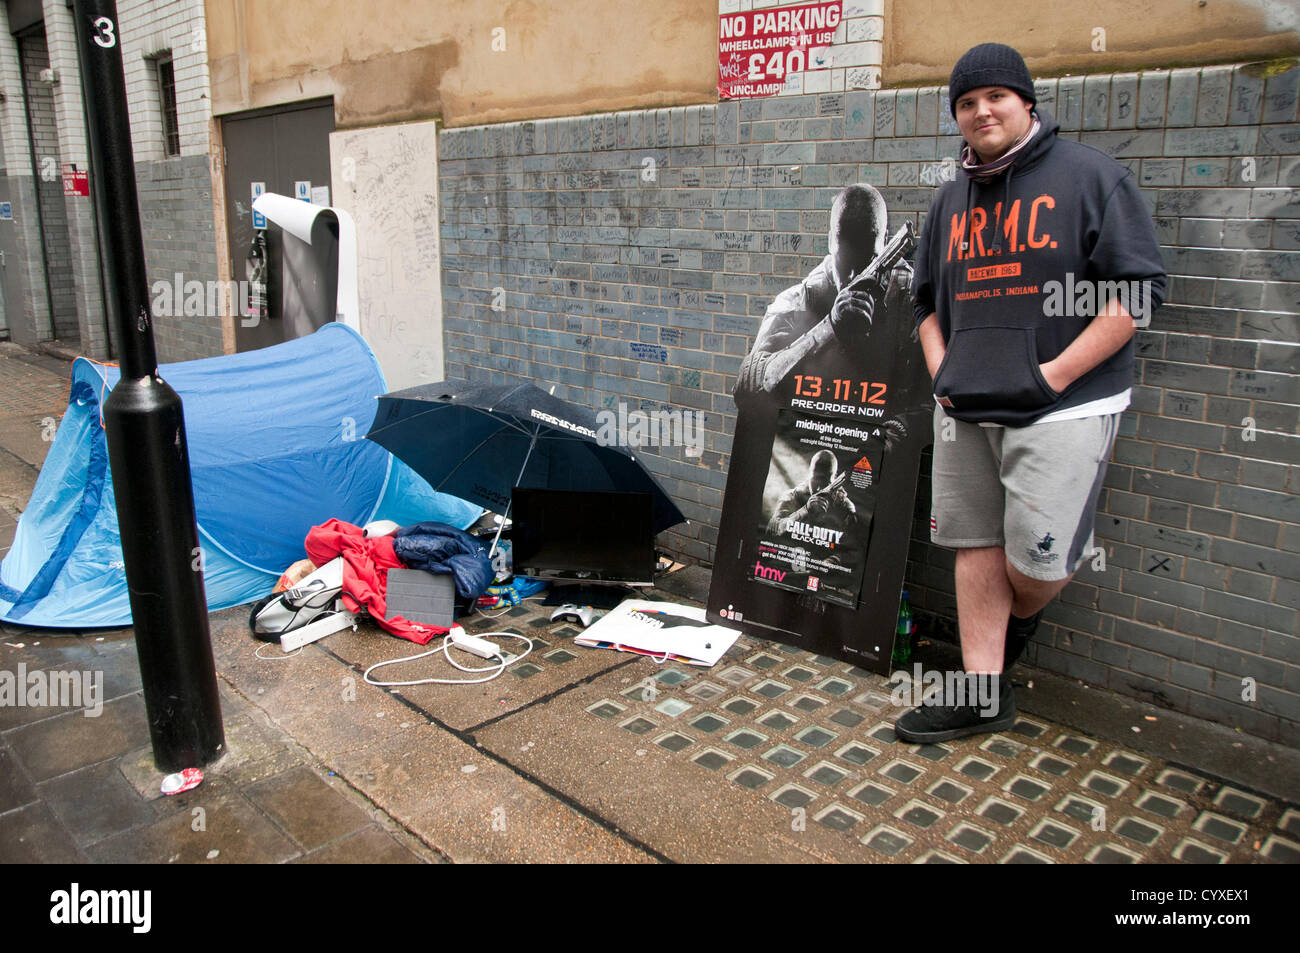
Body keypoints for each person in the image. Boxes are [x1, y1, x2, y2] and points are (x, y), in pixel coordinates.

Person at [894, 42, 1166, 743]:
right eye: (965, 102)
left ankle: (1016, 624)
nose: (980, 110)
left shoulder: (1091, 178)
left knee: (1036, 560)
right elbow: (923, 301)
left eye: (995, 97)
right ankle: (984, 694)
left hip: (1064, 404)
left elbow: (1136, 293)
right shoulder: (949, 200)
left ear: (1027, 103)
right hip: (966, 405)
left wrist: (1054, 375)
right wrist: (943, 373)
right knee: (974, 542)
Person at [766, 449, 857, 536]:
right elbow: (771, 532)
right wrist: (805, 510)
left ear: (833, 478)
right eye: (817, 478)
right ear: (809, 473)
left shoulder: (842, 502)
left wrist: (842, 511)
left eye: (826, 481)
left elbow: (854, 538)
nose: (819, 488)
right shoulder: (792, 496)